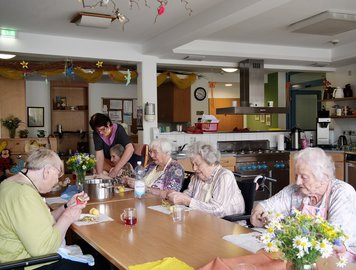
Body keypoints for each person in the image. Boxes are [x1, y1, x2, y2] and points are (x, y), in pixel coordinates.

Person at [251, 147, 356, 259]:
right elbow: (264, 206)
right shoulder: (295, 190)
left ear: (323, 177)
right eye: (296, 175)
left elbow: (335, 240)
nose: (297, 182)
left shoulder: (342, 192)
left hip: (337, 260)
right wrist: (259, 214)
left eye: (304, 177)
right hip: (301, 256)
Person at [0, 148, 90, 269]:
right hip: (28, 264)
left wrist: (66, 206)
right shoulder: (24, 195)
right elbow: (44, 250)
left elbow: (39, 223)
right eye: (58, 175)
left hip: (15, 259)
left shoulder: (9, 184)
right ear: (46, 171)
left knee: (86, 248)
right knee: (100, 263)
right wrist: (68, 217)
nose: (58, 181)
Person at [167, 141, 245, 218]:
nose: (194, 168)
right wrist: (177, 196)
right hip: (203, 220)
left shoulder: (224, 176)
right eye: (192, 164)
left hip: (227, 224)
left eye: (197, 164)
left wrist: (187, 201)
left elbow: (218, 210)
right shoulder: (197, 177)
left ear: (210, 162)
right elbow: (188, 194)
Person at [89, 113, 136, 178]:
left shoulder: (118, 130)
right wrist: (100, 175)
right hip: (108, 164)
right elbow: (99, 156)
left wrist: (116, 170)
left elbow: (130, 149)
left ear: (108, 124)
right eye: (98, 131)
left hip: (121, 164)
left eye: (102, 129)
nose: (101, 133)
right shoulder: (97, 134)